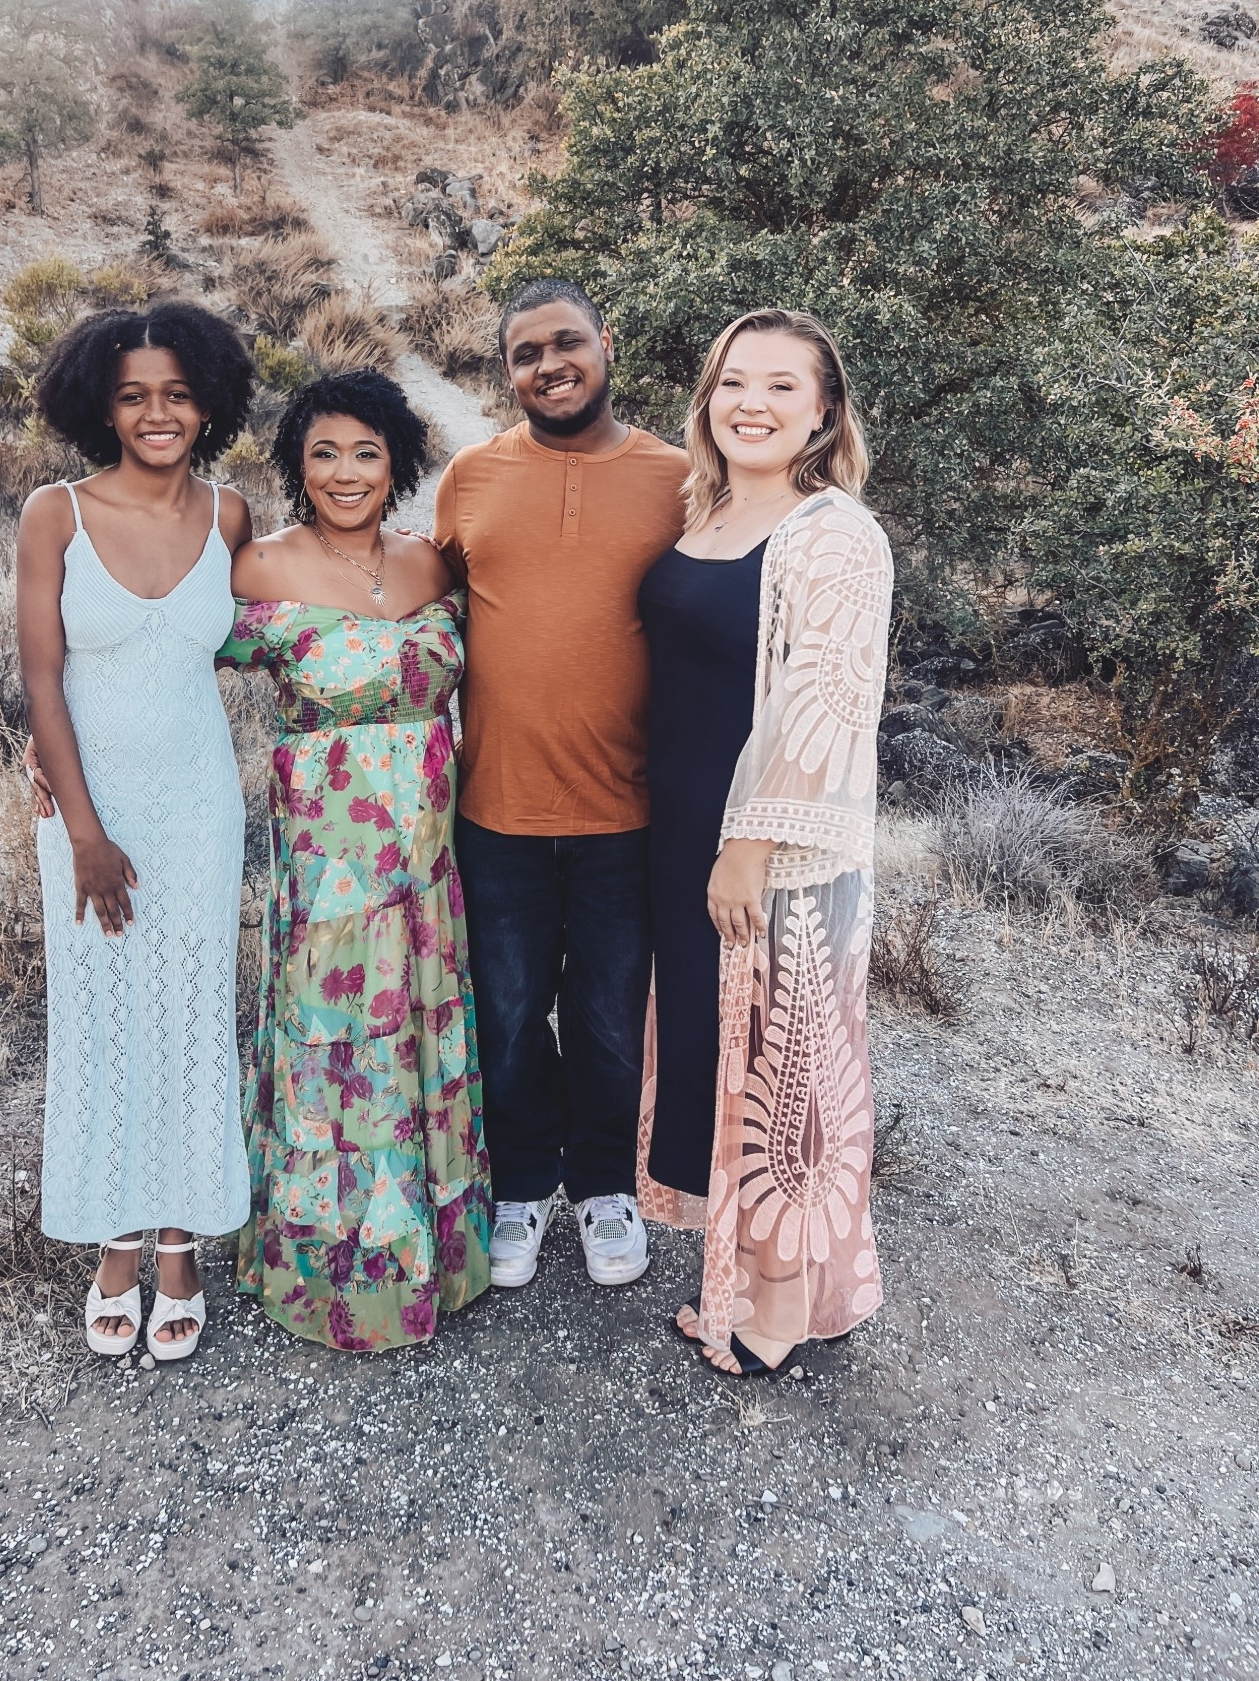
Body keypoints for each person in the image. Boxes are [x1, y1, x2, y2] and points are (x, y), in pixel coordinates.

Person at [636, 307, 893, 1375]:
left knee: (785, 1061)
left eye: (783, 386)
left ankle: (781, 1305)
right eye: (734, 381)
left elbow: (820, 707)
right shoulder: (706, 510)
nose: (753, 403)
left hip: (766, 845)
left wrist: (747, 845)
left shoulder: (834, 533)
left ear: (824, 411)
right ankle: (739, 1275)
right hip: (680, 822)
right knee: (719, 1050)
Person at [219, 370, 493, 1351]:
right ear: (297, 463)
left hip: (428, 866)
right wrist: (55, 748)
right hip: (331, 878)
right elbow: (158, 658)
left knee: (423, 1029)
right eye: (324, 452)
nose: (345, 472)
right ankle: (335, 1269)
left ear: (397, 463)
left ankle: (435, 1250)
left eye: (367, 452)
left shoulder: (431, 564)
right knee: (338, 1048)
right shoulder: (260, 565)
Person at [435, 279, 690, 1289]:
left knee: (610, 1018)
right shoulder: (471, 477)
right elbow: (412, 599)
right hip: (495, 809)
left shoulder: (679, 477)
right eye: (525, 353)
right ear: (508, 373)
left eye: (566, 342)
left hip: (629, 812)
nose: (550, 365)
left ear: (605, 343)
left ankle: (602, 1182)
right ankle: (522, 1180)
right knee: (505, 1014)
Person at [17, 301, 256, 1364]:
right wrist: (83, 831)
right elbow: (42, 677)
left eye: (178, 393)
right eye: (133, 396)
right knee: (105, 1016)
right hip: (91, 814)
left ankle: (179, 1243)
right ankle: (114, 1238)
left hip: (200, 807)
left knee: (193, 1016)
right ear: (100, 407)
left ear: (209, 404)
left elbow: (285, 619)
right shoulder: (55, 513)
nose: (158, 413)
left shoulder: (232, 515)